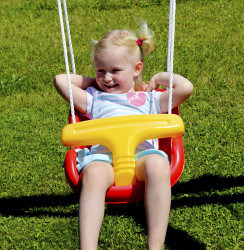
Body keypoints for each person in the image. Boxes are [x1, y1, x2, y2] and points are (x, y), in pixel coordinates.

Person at [54, 22, 193, 250]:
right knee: (94, 175)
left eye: (115, 71)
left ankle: (155, 245)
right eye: (101, 71)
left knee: (158, 165)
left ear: (137, 69)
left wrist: (158, 78)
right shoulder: (93, 99)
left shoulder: (149, 99)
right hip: (104, 159)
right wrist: (93, 83)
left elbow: (185, 87)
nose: (107, 78)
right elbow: (61, 80)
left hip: (142, 156)